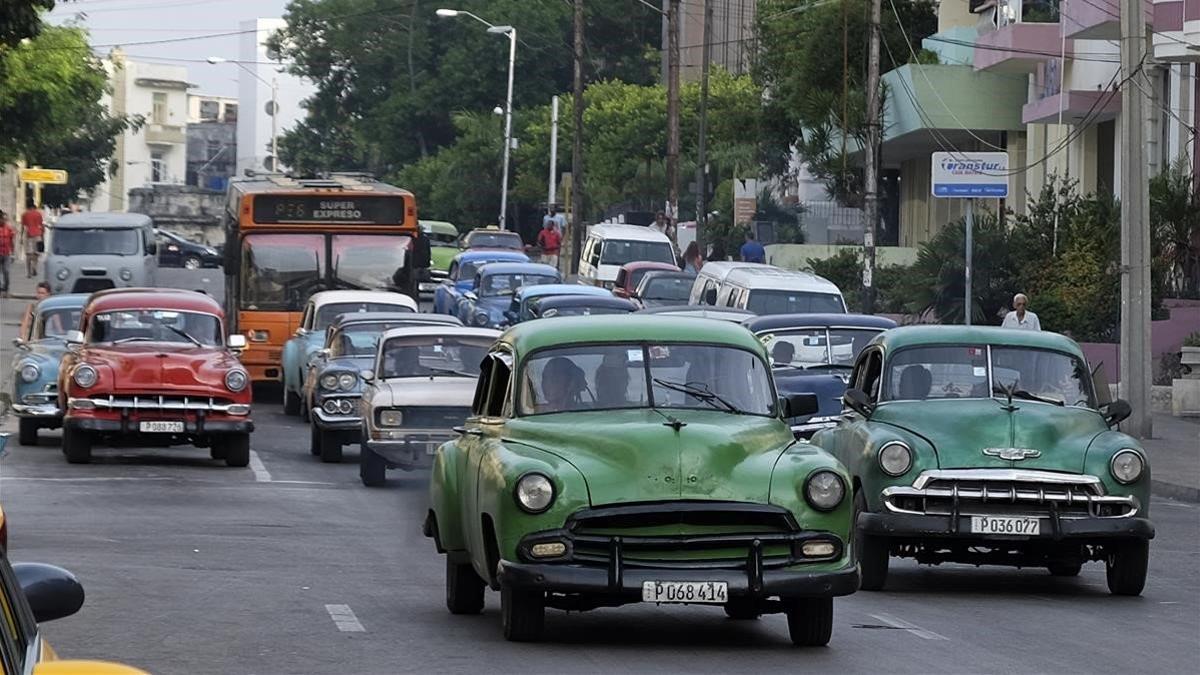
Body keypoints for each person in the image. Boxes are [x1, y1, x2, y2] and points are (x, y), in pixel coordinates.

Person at [20, 201, 44, 278]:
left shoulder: (24, 214)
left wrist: (21, 237)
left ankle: (29, 273)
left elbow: (23, 227)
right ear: (34, 206)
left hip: (28, 235)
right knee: (36, 253)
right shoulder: (38, 214)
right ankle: (34, 266)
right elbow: (41, 225)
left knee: (28, 254)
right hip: (38, 234)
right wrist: (42, 236)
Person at [0, 211, 14, 297]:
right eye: (2, 219)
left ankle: (6, 287)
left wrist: (12, 252)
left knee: (6, 271)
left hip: (6, 253)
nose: (4, 221)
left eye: (5, 219)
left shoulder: (9, 228)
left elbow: (12, 240)